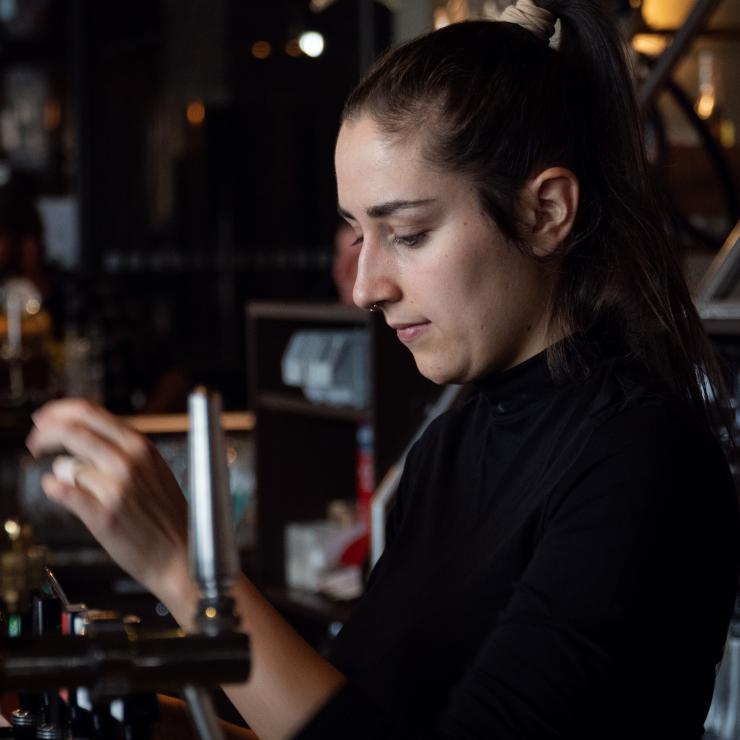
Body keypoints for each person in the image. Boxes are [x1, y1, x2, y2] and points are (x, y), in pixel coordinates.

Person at [26, 1, 740, 738]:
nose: (367, 285)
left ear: (545, 212)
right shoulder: (449, 449)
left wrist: (188, 573)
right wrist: (129, 717)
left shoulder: (641, 464)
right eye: (357, 232)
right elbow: (356, 724)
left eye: (407, 233)